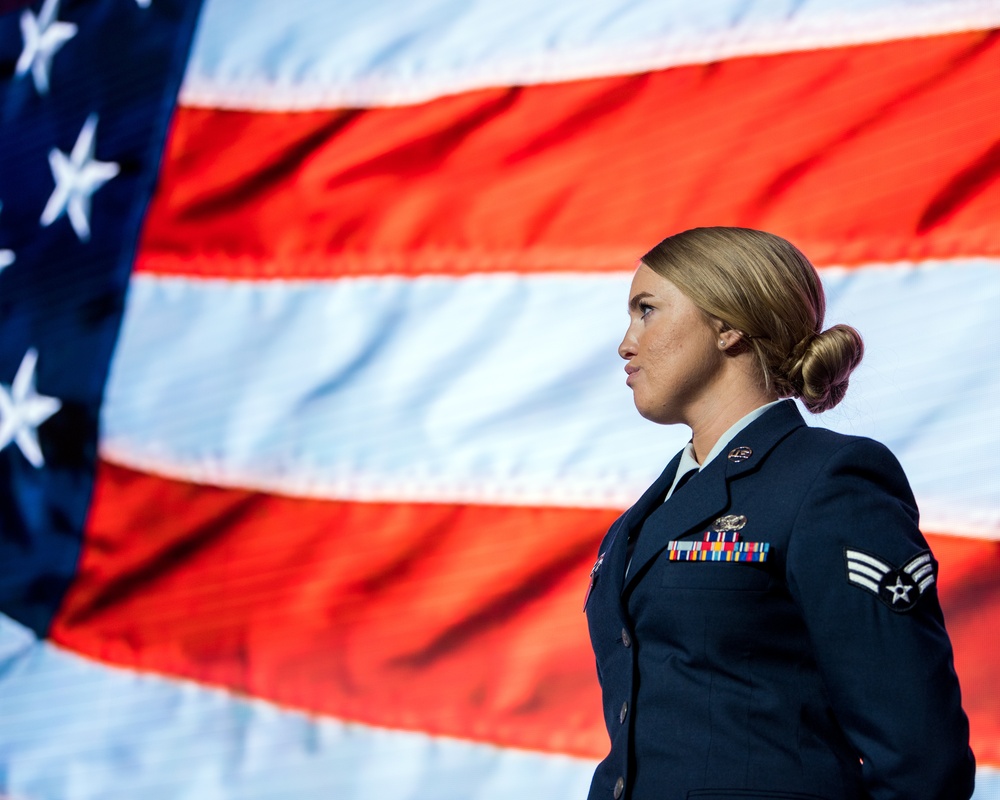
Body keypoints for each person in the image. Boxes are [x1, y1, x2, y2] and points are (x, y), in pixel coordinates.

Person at [584, 227, 975, 800]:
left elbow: (921, 760)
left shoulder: (829, 482)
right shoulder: (658, 504)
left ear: (727, 324)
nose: (626, 343)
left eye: (647, 310)